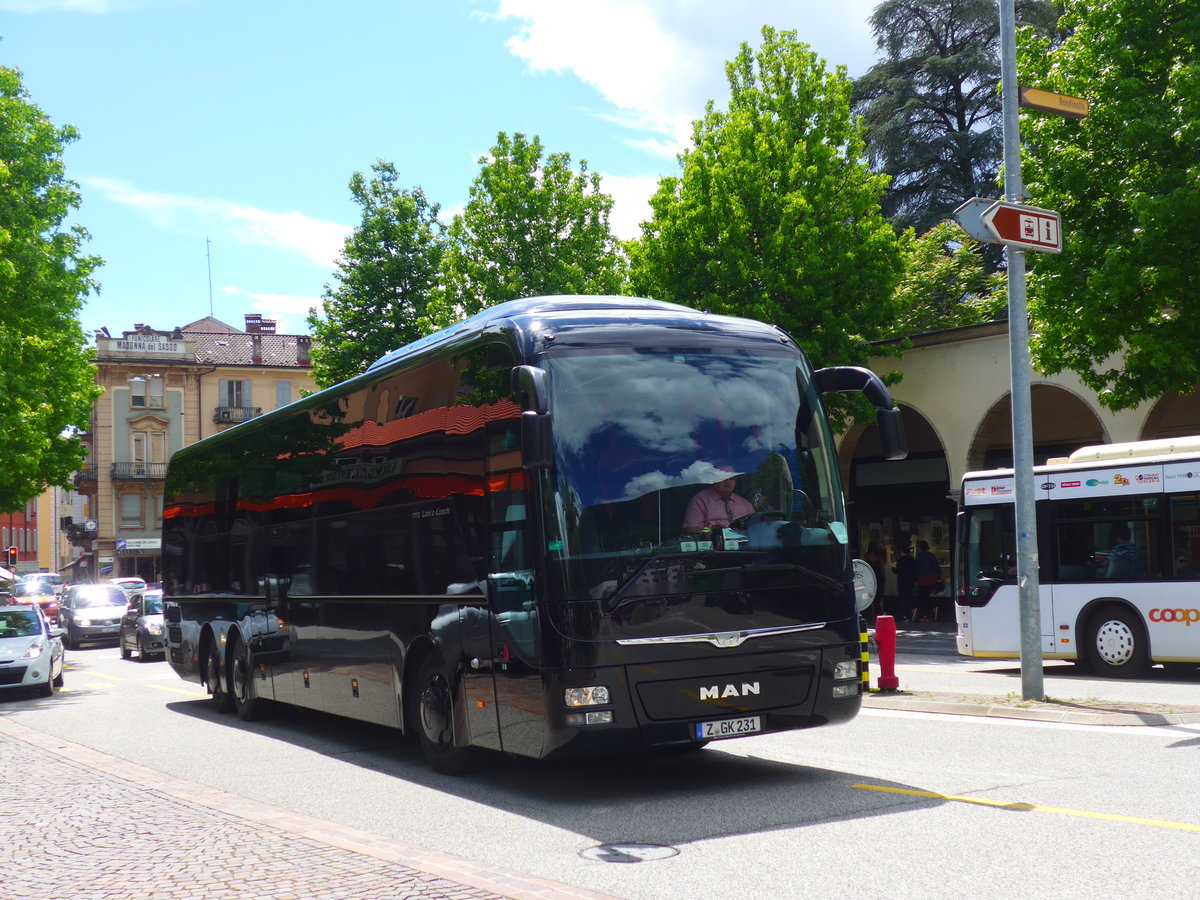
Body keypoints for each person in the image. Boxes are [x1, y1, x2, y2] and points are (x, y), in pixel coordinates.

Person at [683, 472, 755, 533]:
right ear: (714, 480)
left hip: (744, 547)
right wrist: (714, 530)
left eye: (731, 478)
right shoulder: (699, 500)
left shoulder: (746, 504)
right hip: (714, 546)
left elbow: (755, 529)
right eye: (723, 477)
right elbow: (691, 529)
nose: (728, 481)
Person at [912, 540, 942, 622]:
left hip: (923, 580)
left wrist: (915, 580)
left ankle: (926, 614)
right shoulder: (931, 555)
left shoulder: (918, 557)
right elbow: (937, 567)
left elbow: (916, 570)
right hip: (932, 579)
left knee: (923, 597)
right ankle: (933, 608)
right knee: (929, 595)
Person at [892, 545, 917, 618]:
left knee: (902, 597)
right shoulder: (912, 559)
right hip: (910, 581)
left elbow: (898, 570)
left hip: (902, 581)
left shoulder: (900, 560)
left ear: (901, 552)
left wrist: (893, 569)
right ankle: (910, 611)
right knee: (909, 596)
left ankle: (905, 613)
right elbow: (914, 570)